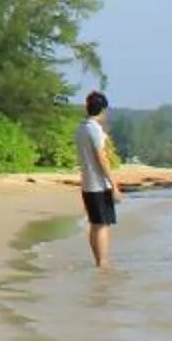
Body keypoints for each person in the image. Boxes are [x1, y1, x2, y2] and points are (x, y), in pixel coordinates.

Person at [74, 90, 120, 269]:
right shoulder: (94, 129)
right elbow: (101, 158)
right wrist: (114, 185)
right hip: (99, 184)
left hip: (87, 183)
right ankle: (103, 263)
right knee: (102, 225)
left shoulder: (82, 127)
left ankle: (98, 261)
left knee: (95, 224)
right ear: (103, 109)